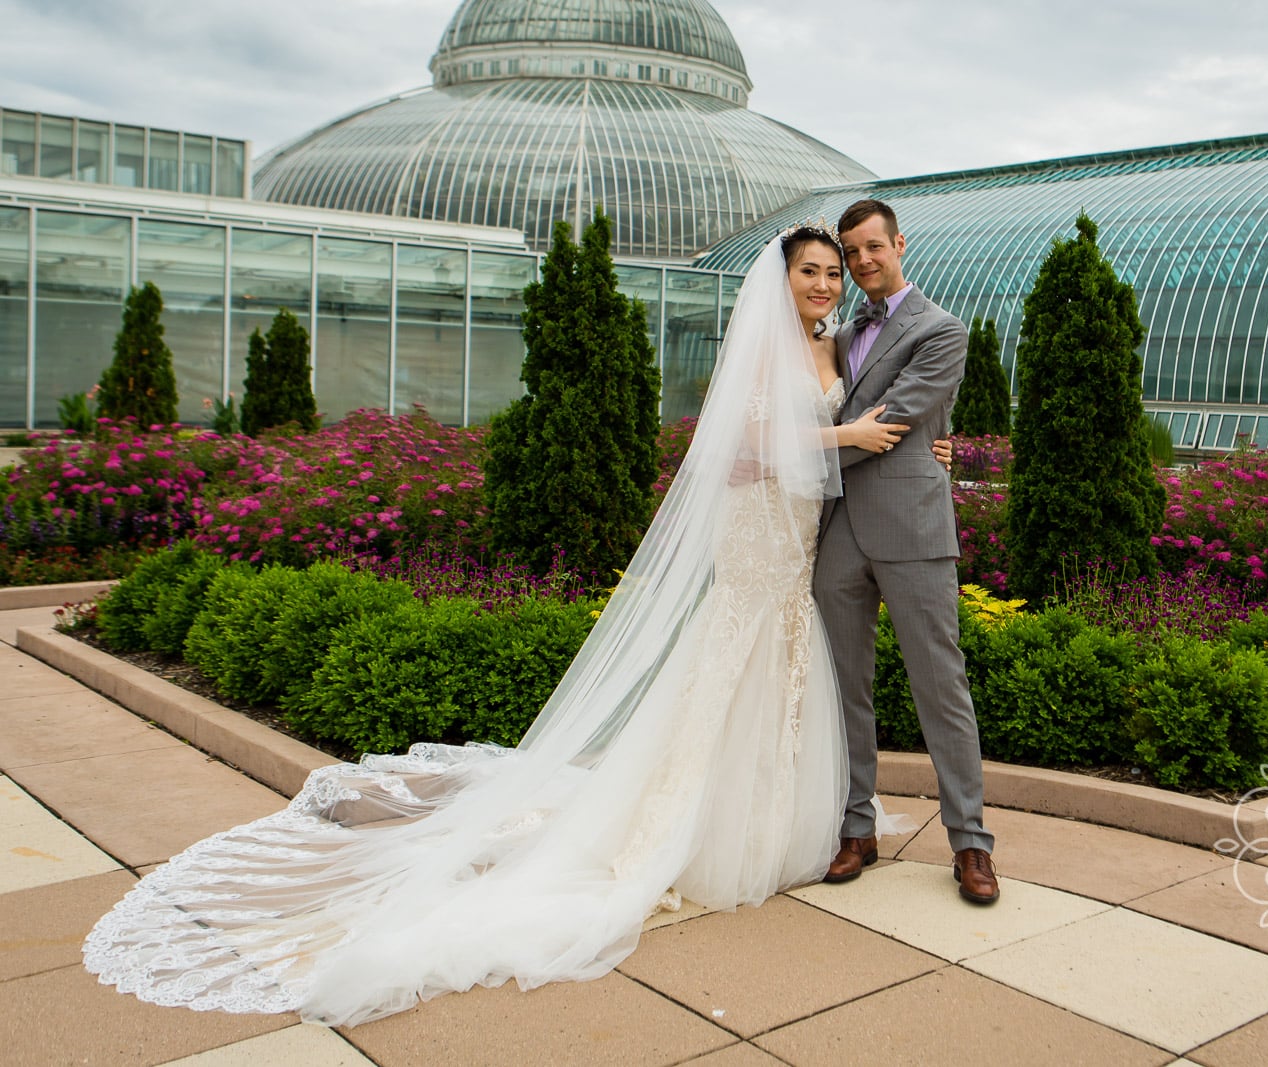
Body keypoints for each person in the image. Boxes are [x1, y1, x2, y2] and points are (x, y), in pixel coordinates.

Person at [82, 223, 932, 1027]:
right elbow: (739, 451)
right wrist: (843, 432)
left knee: (781, 671)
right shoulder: (759, 350)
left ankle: (772, 822)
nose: (824, 282)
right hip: (754, 537)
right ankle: (693, 831)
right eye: (810, 270)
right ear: (780, 280)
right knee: (729, 667)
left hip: (800, 541)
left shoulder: (833, 344)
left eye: (833, 270)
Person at [814, 198, 999, 904]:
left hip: (913, 531)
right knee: (843, 689)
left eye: (872, 247)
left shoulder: (941, 331)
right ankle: (856, 826)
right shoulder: (836, 331)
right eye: (850, 251)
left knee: (940, 687)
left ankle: (971, 843)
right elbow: (832, 410)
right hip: (838, 535)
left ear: (898, 245)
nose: (861, 261)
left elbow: (888, 422)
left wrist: (796, 460)